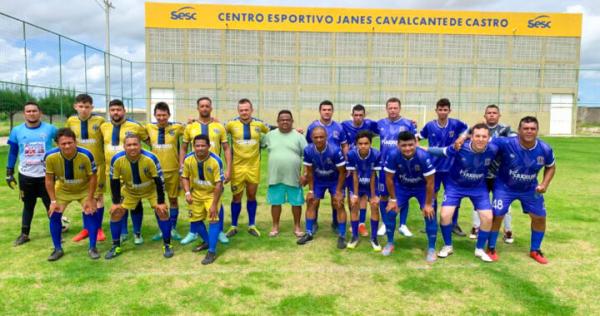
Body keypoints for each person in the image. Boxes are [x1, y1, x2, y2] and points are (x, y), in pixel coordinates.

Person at [487, 116, 555, 264]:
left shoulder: (545, 149)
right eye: (525, 128)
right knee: (497, 215)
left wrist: (544, 184)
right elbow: (482, 139)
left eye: (533, 129)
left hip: (530, 188)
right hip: (504, 186)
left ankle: (535, 250)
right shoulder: (506, 143)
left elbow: (551, 166)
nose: (529, 131)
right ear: (518, 130)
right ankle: (491, 247)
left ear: (537, 131)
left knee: (540, 217)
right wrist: (463, 139)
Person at [427, 123, 498, 262]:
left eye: (484, 136)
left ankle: (479, 249)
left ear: (489, 138)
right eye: (477, 136)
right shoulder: (459, 147)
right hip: (455, 186)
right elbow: (442, 152)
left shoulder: (494, 149)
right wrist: (424, 148)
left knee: (488, 217)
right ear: (471, 137)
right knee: (445, 215)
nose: (480, 139)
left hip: (478, 187)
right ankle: (448, 246)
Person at [106, 134, 173, 259]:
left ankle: (167, 244)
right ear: (124, 147)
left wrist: (161, 201)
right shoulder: (117, 159)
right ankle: (116, 246)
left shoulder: (151, 158)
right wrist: (115, 203)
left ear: (140, 145)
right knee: (116, 212)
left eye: (135, 144)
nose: (132, 147)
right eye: (129, 145)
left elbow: (159, 181)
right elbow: (114, 181)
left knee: (162, 211)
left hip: (150, 189)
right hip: (130, 190)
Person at [180, 97, 232, 244]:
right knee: (193, 199)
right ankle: (193, 231)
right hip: (194, 169)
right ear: (198, 108)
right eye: (201, 106)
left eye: (207, 106)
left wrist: (228, 169)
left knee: (217, 200)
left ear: (211, 108)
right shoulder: (190, 126)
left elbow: (227, 148)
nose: (204, 108)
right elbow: (183, 147)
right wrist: (181, 166)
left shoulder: (219, 126)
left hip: (214, 170)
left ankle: (219, 231)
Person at [6, 101, 57, 246]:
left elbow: (63, 142)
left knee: (51, 204)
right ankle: (24, 234)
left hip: (46, 175)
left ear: (40, 113)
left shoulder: (50, 129)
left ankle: (57, 231)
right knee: (28, 205)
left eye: (34, 111)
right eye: (28, 111)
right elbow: (13, 152)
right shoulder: (16, 131)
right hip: (26, 175)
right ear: (24, 114)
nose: (31, 113)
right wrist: (9, 171)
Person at [99, 99, 149, 244]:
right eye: (113, 110)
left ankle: (137, 233)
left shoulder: (135, 126)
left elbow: (150, 141)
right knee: (119, 202)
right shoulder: (104, 127)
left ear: (124, 111)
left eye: (118, 109)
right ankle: (123, 231)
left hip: (132, 171)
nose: (116, 112)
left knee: (135, 202)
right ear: (109, 112)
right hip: (112, 172)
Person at [44, 128, 98, 260]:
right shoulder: (50, 156)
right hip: (63, 190)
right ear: (57, 144)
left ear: (75, 142)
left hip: (83, 189)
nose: (67, 146)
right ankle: (57, 249)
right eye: (63, 143)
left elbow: (93, 178)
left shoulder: (86, 155)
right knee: (54, 214)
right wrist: (52, 201)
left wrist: (90, 198)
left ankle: (93, 247)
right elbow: (49, 180)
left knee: (90, 212)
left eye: (70, 142)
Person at [418, 98, 468, 237]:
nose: (442, 112)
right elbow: (419, 136)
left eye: (445, 109)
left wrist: (461, 138)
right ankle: (430, 223)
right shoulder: (430, 126)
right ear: (436, 110)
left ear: (449, 111)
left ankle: (453, 224)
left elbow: (468, 129)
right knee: (431, 196)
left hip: (452, 167)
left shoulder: (455, 124)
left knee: (454, 197)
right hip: (433, 168)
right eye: (440, 109)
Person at [383, 132, 437, 262]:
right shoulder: (392, 155)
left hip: (421, 188)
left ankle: (431, 248)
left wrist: (428, 204)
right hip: (402, 187)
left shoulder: (423, 156)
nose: (407, 148)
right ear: (398, 145)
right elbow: (389, 179)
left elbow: (430, 182)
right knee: (390, 212)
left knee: (430, 214)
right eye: (404, 145)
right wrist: (393, 199)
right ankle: (390, 243)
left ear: (416, 143)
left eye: (410, 145)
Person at [468, 104, 516, 241]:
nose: (491, 115)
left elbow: (514, 140)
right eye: (489, 113)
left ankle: (507, 230)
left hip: (501, 174)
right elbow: (466, 137)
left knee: (504, 203)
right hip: (481, 172)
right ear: (485, 115)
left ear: (499, 115)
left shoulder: (505, 129)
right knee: (478, 201)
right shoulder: (477, 129)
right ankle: (476, 227)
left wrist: (492, 140)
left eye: (494, 113)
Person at [224, 98, 270, 237]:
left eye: (246, 110)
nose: (244, 112)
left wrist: (294, 129)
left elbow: (276, 130)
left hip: (253, 167)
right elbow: (217, 131)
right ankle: (233, 226)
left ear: (251, 110)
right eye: (241, 110)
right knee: (236, 197)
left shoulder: (259, 124)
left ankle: (252, 225)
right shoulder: (231, 124)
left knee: (251, 195)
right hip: (237, 168)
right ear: (238, 111)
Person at [65, 94, 107, 243]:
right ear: (75, 106)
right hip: (80, 167)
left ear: (92, 108)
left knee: (98, 197)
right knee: (85, 197)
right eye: (81, 106)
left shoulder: (100, 121)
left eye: (87, 107)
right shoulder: (71, 121)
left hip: (98, 166)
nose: (84, 110)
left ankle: (98, 228)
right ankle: (87, 229)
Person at [297, 126, 347, 249]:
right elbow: (309, 171)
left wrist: (339, 191)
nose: (319, 140)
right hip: (318, 179)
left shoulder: (335, 150)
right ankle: (309, 232)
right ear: (312, 138)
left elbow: (342, 172)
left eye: (321, 137)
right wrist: (311, 190)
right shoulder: (308, 150)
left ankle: (342, 235)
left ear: (326, 137)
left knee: (339, 203)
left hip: (334, 180)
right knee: (311, 201)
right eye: (316, 137)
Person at [376, 97, 418, 237]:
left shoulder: (407, 124)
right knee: (384, 196)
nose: (393, 110)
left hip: (402, 166)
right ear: (386, 108)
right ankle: (385, 223)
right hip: (384, 166)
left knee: (403, 195)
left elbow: (415, 143)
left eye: (395, 108)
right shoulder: (379, 123)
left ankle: (403, 225)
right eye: (390, 108)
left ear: (400, 108)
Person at [305, 100, 348, 232]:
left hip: (335, 170)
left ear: (332, 111)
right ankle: (313, 224)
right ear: (320, 111)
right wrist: (306, 173)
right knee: (313, 200)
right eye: (324, 109)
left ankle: (336, 223)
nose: (327, 112)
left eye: (329, 109)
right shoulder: (312, 127)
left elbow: (344, 145)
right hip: (318, 170)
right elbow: (309, 148)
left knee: (336, 200)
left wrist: (345, 162)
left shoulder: (339, 127)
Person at [263, 110, 307, 237]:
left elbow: (307, 157)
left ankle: (297, 226)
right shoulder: (270, 135)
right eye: (282, 120)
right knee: (276, 203)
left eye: (288, 119)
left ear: (292, 121)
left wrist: (304, 174)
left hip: (294, 177)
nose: (285, 122)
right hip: (275, 177)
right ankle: (275, 226)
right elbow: (259, 145)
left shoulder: (299, 137)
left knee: (297, 203)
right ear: (277, 122)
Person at [181, 134, 225, 264]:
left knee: (213, 219)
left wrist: (214, 204)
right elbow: (184, 177)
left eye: (203, 146)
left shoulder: (216, 161)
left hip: (212, 194)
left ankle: (211, 251)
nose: (200, 148)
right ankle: (207, 241)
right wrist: (187, 192)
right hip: (195, 193)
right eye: (197, 146)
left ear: (209, 146)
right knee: (195, 220)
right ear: (193, 146)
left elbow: (219, 184)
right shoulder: (188, 159)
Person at [146, 102, 184, 242]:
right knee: (158, 201)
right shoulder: (149, 127)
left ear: (169, 115)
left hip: (173, 170)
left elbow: (191, 129)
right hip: (155, 172)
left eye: (164, 115)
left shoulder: (177, 127)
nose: (161, 118)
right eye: (158, 115)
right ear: (154, 115)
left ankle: (172, 227)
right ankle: (162, 229)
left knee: (173, 199)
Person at [342, 104, 380, 236]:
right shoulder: (344, 125)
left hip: (367, 163)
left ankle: (361, 224)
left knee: (363, 195)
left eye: (361, 115)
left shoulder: (370, 125)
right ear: (352, 115)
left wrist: (411, 124)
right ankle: (354, 221)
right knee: (352, 195)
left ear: (364, 116)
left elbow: (385, 126)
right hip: (351, 163)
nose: (358, 118)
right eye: (356, 115)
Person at [346, 131, 382, 251]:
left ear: (370, 144)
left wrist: (373, 196)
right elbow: (354, 175)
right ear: (356, 144)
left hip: (371, 184)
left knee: (375, 206)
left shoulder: (376, 154)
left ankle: (374, 238)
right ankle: (355, 236)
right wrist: (355, 194)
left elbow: (373, 175)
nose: (363, 146)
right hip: (357, 184)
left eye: (366, 143)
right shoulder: (351, 154)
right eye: (360, 143)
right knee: (354, 205)